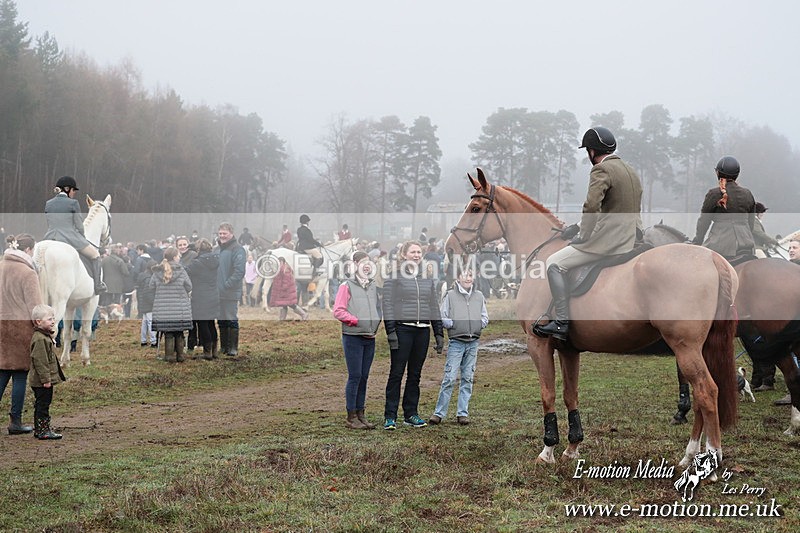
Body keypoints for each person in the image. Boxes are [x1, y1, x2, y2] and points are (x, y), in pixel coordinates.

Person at [536, 127, 643, 341]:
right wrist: (576, 225)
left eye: (588, 151)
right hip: (632, 235)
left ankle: (562, 322)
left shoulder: (601, 170)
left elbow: (592, 206)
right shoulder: (629, 169)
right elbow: (613, 207)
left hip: (609, 241)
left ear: (592, 152)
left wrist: (583, 235)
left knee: (554, 263)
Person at [381, 240, 444, 430]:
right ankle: (390, 416)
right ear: (404, 254)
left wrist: (438, 332)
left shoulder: (427, 277)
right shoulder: (394, 276)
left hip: (422, 331)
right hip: (403, 330)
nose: (416, 255)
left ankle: (411, 414)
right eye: (413, 252)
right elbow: (388, 305)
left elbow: (433, 306)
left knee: (415, 375)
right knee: (396, 374)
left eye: (419, 252)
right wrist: (391, 331)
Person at [429, 267, 488, 426]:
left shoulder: (479, 296)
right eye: (465, 275)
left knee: (468, 378)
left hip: (473, 342)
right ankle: (439, 413)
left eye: (470, 275)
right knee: (449, 378)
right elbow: (443, 316)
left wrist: (479, 324)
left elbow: (484, 315)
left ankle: (462, 413)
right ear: (458, 277)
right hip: (456, 342)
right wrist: (454, 324)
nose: (468, 278)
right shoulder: (450, 295)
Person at [0, 234, 43, 435]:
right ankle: (15, 421)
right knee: (19, 374)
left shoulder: (1, 266)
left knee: (2, 371)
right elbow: (36, 308)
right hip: (19, 329)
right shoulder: (27, 273)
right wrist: (46, 329)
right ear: (27, 250)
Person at [333, 251, 381, 430]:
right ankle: (350, 416)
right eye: (363, 262)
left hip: (370, 337)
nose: (367, 265)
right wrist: (355, 321)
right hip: (353, 337)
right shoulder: (346, 286)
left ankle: (361, 414)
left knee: (364, 377)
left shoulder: (372, 285)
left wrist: (376, 322)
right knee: (355, 376)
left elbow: (376, 307)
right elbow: (338, 310)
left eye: (369, 262)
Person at [43, 176, 106, 294]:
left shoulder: (48, 204)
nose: (73, 194)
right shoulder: (73, 203)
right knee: (95, 255)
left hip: (50, 237)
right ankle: (98, 286)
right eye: (73, 191)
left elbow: (50, 222)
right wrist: (82, 237)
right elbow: (79, 225)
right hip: (69, 237)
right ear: (67, 189)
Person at [691, 156, 756, 261]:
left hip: (720, 246)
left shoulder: (714, 194)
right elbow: (751, 223)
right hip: (746, 245)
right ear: (737, 175)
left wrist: (698, 241)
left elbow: (704, 221)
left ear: (718, 173)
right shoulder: (747, 194)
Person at [28, 304, 65, 440]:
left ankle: (40, 429)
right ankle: (43, 430)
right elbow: (40, 361)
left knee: (42, 404)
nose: (53, 321)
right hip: (41, 382)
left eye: (53, 318)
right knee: (43, 405)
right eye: (49, 319)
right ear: (38, 322)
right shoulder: (39, 339)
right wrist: (46, 380)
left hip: (42, 380)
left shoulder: (44, 336)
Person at [150, 247, 193, 363]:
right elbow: (189, 286)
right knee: (179, 333)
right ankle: (180, 356)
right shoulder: (182, 271)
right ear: (174, 257)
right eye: (179, 256)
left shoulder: (158, 271)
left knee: (168, 332)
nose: (180, 257)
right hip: (180, 308)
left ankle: (169, 356)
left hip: (163, 308)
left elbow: (151, 286)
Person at [185, 238, 220, 360]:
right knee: (211, 323)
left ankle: (207, 352)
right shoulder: (216, 259)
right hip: (213, 295)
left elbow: (186, 272)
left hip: (200, 296)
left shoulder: (197, 263)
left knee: (202, 323)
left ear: (198, 249)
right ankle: (214, 351)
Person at [216, 223, 246, 356]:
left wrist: (227, 285)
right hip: (218, 292)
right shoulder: (217, 249)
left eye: (225, 233)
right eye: (220, 233)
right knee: (221, 319)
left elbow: (239, 271)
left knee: (231, 318)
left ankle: (233, 347)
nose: (222, 236)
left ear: (231, 233)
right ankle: (223, 347)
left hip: (230, 291)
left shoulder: (237, 249)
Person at [134, 245, 158, 348]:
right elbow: (149, 293)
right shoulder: (149, 278)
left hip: (142, 301)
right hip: (149, 303)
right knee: (150, 323)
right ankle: (153, 341)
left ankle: (143, 340)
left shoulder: (142, 276)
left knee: (144, 322)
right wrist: (154, 303)